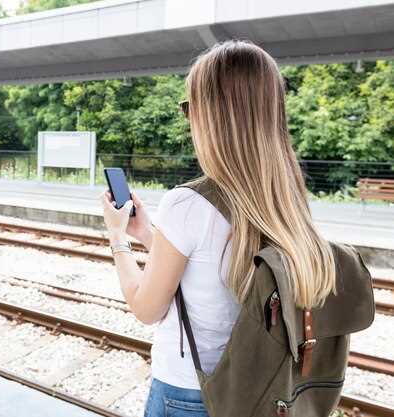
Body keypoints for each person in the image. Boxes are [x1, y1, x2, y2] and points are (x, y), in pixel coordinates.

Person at [100, 40, 337, 417]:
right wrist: (149, 235)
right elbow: (215, 264)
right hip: (261, 393)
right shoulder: (286, 199)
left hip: (192, 396)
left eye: (189, 107)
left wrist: (117, 238)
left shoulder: (188, 203)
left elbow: (146, 308)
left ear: (209, 116)